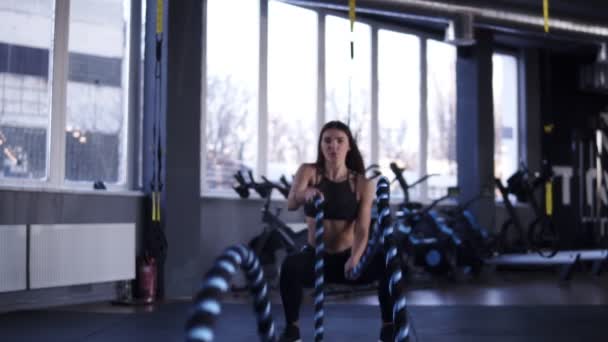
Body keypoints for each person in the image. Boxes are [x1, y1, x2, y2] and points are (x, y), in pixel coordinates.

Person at [279, 120, 394, 342]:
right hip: (316, 257)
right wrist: (307, 193)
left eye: (340, 141)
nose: (334, 146)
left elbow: (362, 227)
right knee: (290, 266)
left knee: (386, 265)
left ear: (348, 146)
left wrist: (356, 258)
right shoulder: (308, 172)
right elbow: (292, 202)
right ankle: (292, 330)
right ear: (321, 145)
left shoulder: (361, 183)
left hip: (348, 260)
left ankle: (388, 327)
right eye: (328, 140)